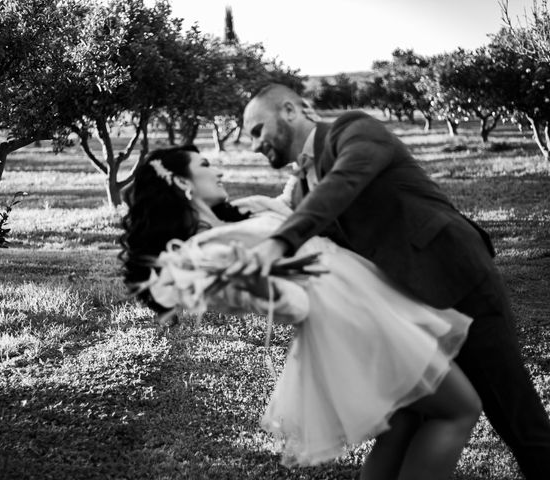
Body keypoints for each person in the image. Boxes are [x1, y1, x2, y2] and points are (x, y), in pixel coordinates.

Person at [233, 83, 550, 479]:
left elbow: (345, 181)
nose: (255, 145)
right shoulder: (302, 184)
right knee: (407, 421)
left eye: (258, 130)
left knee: (518, 419)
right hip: (408, 312)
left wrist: (281, 240)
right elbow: (289, 213)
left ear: (290, 111)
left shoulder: (354, 129)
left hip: (458, 283)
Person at [121, 145, 481, 480]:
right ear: (183, 182)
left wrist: (301, 169)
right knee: (458, 411)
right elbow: (295, 307)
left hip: (364, 299)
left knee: (406, 419)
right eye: (205, 165)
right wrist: (265, 288)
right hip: (351, 319)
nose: (219, 172)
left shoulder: (241, 212)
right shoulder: (208, 252)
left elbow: (288, 210)